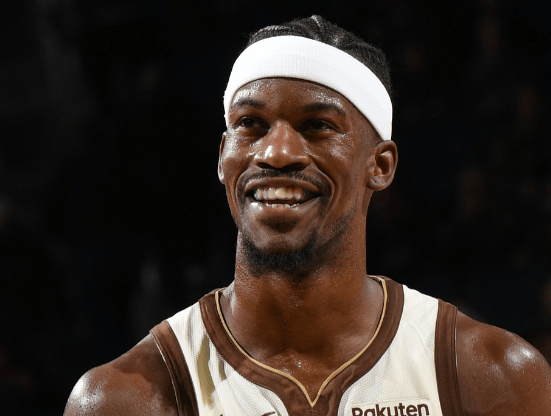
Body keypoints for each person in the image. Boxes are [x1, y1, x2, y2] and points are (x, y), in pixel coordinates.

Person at [64, 15, 551, 416]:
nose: (276, 152)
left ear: (380, 166)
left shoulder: (492, 377)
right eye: (251, 124)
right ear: (222, 157)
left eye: (317, 125)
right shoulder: (122, 400)